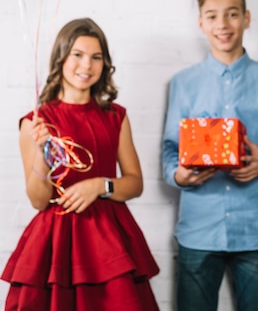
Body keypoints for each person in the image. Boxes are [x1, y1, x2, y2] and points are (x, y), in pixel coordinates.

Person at [1, 18, 160, 310]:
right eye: (78, 55)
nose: (87, 65)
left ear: (105, 64)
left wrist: (100, 185)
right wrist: (40, 151)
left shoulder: (116, 116)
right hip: (57, 243)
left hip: (110, 239)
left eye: (96, 57)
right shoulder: (36, 122)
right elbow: (38, 200)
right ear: (60, 58)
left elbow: (134, 183)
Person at [161, 0, 258, 311]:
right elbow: (170, 149)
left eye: (231, 14)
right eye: (212, 16)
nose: (222, 25)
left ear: (246, 18)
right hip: (199, 229)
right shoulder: (183, 84)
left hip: (256, 229)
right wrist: (178, 174)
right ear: (201, 23)